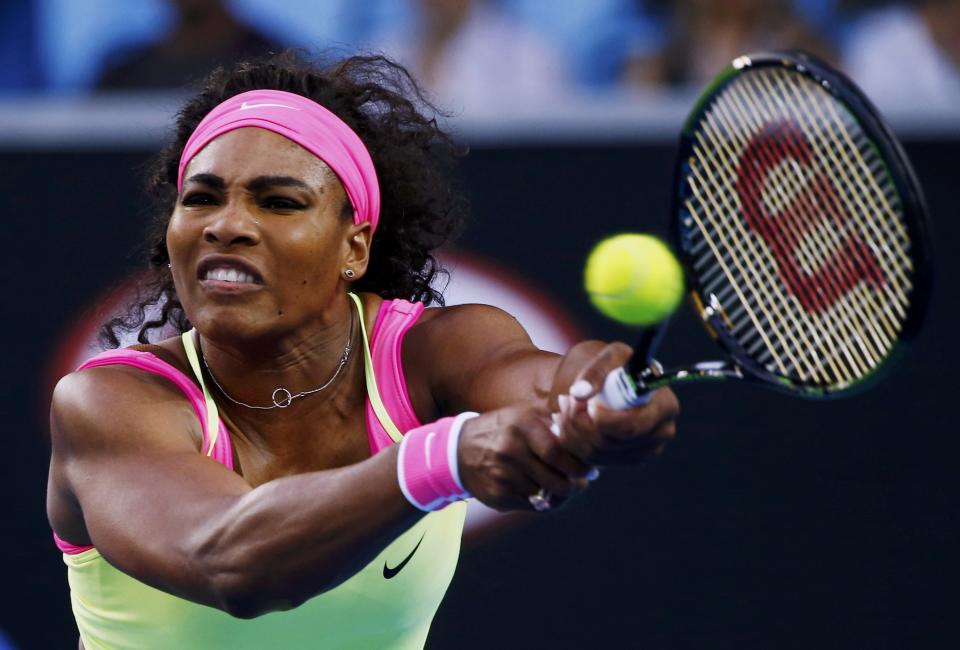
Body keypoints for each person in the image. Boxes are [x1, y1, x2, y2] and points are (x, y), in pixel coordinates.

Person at [46, 52, 679, 649]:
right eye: (202, 197)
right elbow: (229, 561)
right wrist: (442, 458)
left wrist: (599, 402)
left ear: (355, 247)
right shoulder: (108, 403)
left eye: (279, 201)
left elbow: (539, 385)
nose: (226, 223)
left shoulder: (434, 352)